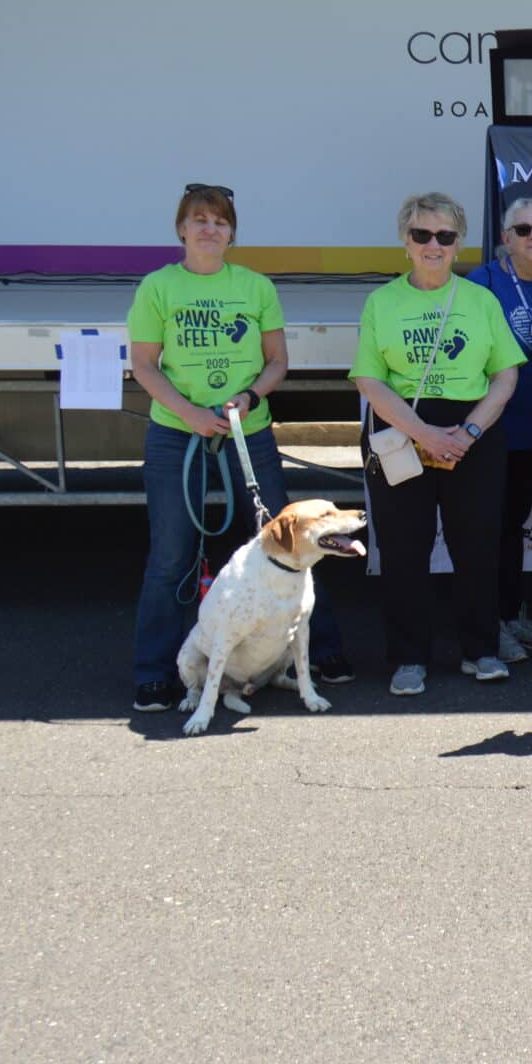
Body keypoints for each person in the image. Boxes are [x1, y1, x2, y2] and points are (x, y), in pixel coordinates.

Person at [128, 183, 350, 711]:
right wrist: (191, 414)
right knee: (170, 554)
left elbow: (277, 362)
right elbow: (143, 365)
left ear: (231, 233)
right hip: (176, 433)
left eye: (220, 222)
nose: (210, 229)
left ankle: (321, 652)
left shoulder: (254, 287)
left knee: (290, 543)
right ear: (182, 228)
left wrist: (249, 396)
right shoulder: (158, 288)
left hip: (247, 431)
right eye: (200, 220)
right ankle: (156, 671)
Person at [352, 192, 525, 696]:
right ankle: (409, 658)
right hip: (401, 429)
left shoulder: (480, 300)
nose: (433, 245)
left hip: (472, 430)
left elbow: (506, 375)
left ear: (458, 244)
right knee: (405, 549)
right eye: (422, 235)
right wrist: (424, 434)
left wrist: (468, 433)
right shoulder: (382, 301)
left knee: (477, 547)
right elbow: (371, 381)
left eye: (445, 236)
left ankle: (481, 650)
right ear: (405, 241)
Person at [463, 196, 532, 662]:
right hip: (488, 428)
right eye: (521, 229)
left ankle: (508, 614)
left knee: (513, 528)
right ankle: (487, 624)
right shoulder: (480, 283)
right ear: (505, 238)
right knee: (486, 529)